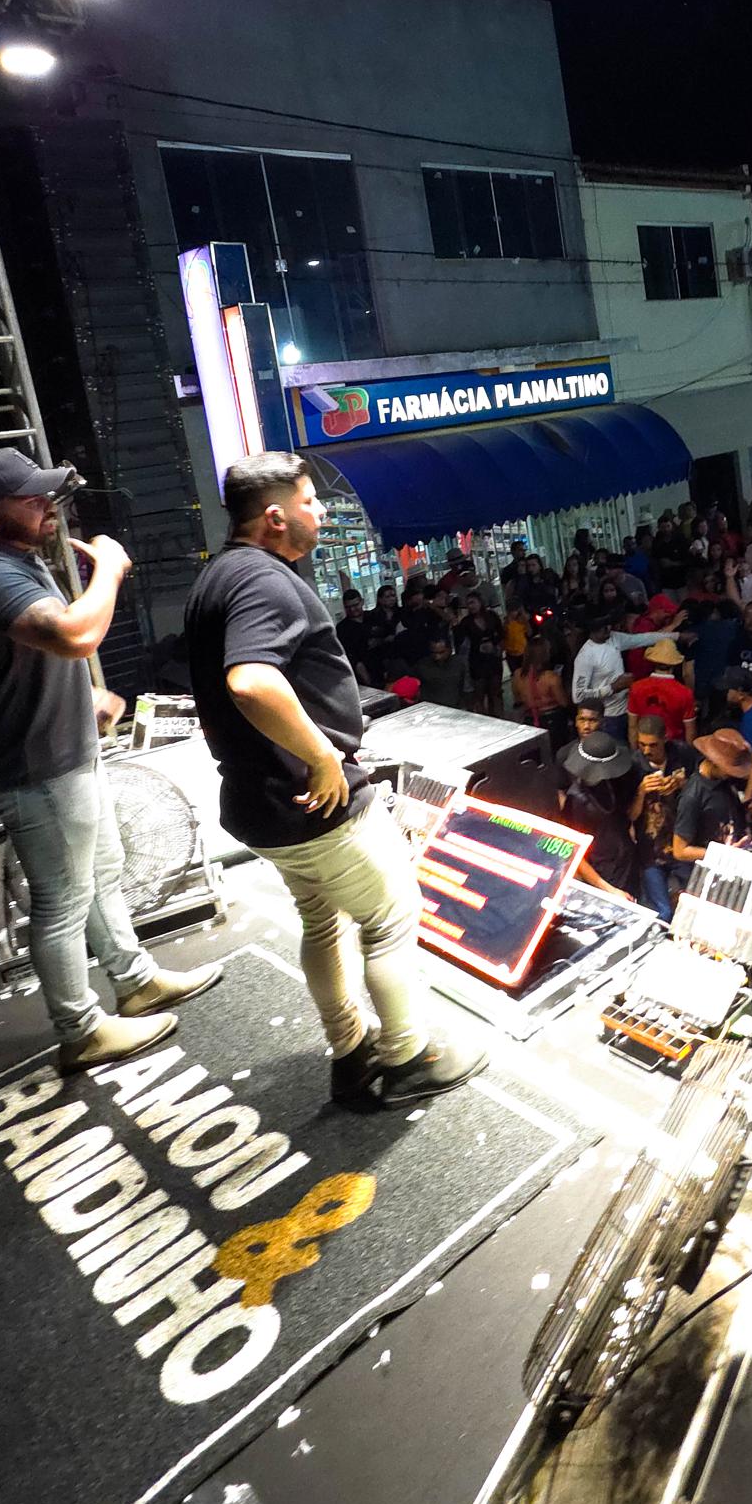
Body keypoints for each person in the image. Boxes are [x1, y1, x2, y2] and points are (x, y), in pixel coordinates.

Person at [183, 451, 478, 1109]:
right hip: (314, 799)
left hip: (260, 801)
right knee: (390, 916)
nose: (320, 511)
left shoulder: (217, 577)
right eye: (311, 501)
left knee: (322, 922)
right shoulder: (263, 581)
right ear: (275, 516)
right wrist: (321, 755)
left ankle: (351, 1051)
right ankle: (408, 1057)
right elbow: (250, 681)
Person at [0, 449, 218, 1070]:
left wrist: (81, 696)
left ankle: (135, 981)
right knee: (62, 899)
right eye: (32, 498)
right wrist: (110, 571)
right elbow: (74, 634)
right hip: (35, 766)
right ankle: (81, 1029)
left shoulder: (14, 560)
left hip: (63, 751)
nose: (49, 506)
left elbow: (33, 651)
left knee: (102, 873)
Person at [559, 728, 643, 897]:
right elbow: (574, 852)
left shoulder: (613, 783)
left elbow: (625, 818)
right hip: (604, 877)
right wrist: (609, 889)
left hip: (628, 866)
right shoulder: (577, 801)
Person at [671, 725, 752, 869]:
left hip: (735, 860)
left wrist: (749, 812)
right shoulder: (692, 796)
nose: (732, 774)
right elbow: (680, 851)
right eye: (729, 769)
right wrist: (724, 854)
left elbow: (726, 815)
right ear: (714, 762)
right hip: (709, 870)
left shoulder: (726, 781)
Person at [629, 712, 690, 918]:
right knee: (663, 912)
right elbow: (630, 816)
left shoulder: (682, 754)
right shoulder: (633, 765)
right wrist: (641, 792)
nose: (647, 750)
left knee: (692, 904)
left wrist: (682, 785)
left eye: (653, 745)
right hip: (650, 852)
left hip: (682, 844)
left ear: (665, 738)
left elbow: (699, 790)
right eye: (642, 745)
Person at [626, 635, 696, 744]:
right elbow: (690, 731)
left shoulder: (636, 687)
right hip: (674, 745)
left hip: (646, 743)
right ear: (674, 664)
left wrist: (634, 750)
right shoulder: (685, 693)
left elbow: (632, 725)